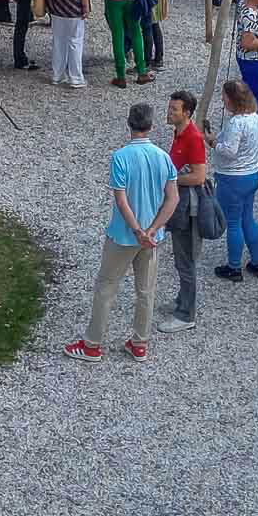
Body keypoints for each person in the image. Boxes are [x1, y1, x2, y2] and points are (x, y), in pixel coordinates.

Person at [63, 103, 179, 363]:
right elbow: (172, 199)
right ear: (151, 125)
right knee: (146, 290)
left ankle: (92, 344)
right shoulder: (163, 157)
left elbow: (121, 200)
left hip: (124, 236)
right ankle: (140, 343)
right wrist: (152, 230)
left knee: (106, 286)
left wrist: (137, 230)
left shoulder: (121, 157)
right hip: (151, 239)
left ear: (129, 124)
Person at [157, 90, 210, 334]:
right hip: (180, 204)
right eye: (170, 108)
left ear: (186, 113)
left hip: (189, 209)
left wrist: (171, 180)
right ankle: (182, 300)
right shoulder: (179, 134)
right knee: (181, 260)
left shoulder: (193, 138)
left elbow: (199, 176)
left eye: (174, 110)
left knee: (186, 260)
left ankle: (186, 313)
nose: (169, 113)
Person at [208, 79, 258, 282]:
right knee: (247, 218)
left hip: (233, 178)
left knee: (233, 223)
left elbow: (229, 151)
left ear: (232, 99)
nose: (222, 99)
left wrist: (213, 142)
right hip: (252, 174)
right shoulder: (254, 118)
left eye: (224, 96)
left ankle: (234, 267)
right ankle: (257, 262)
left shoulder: (236, 123)